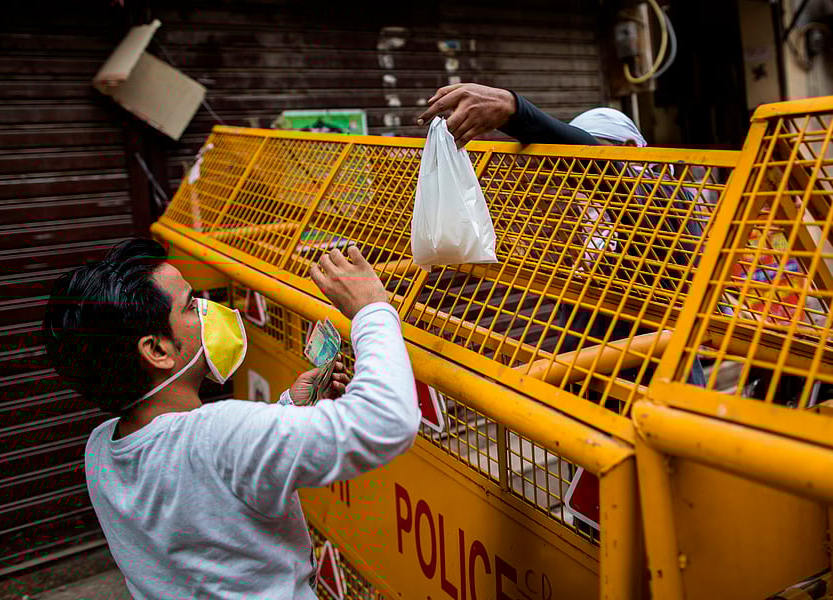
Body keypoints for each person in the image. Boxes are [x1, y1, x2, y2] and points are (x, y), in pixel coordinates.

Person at [41, 238, 419, 599]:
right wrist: (371, 309)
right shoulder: (216, 436)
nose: (207, 309)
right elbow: (387, 420)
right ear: (156, 349)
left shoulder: (100, 451)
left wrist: (290, 406)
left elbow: (210, 483)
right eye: (190, 306)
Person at [415, 83, 707, 388]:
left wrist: (514, 109)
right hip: (588, 388)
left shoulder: (666, 200)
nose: (573, 175)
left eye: (575, 161)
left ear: (632, 150)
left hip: (657, 394)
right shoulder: (576, 216)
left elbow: (601, 168)